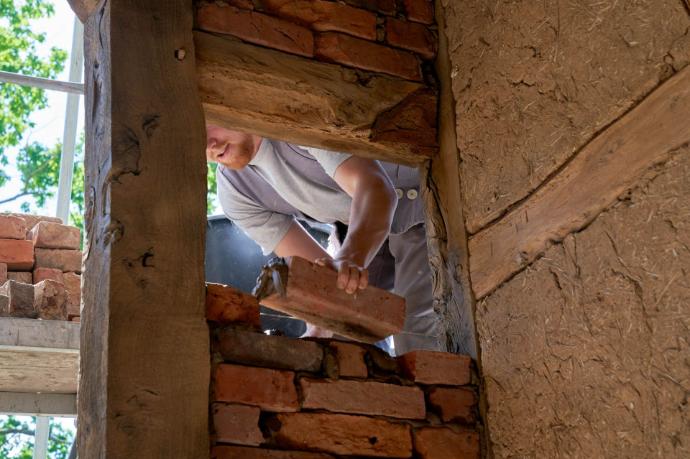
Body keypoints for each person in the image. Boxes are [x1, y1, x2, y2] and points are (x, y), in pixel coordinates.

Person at [206, 125, 441, 355]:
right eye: (196, 137)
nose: (209, 145)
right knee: (341, 335)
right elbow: (321, 273)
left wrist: (350, 258)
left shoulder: (296, 124)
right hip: (355, 228)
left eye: (208, 125)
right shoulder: (235, 192)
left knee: (417, 333)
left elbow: (375, 188)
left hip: (421, 205)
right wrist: (321, 324)